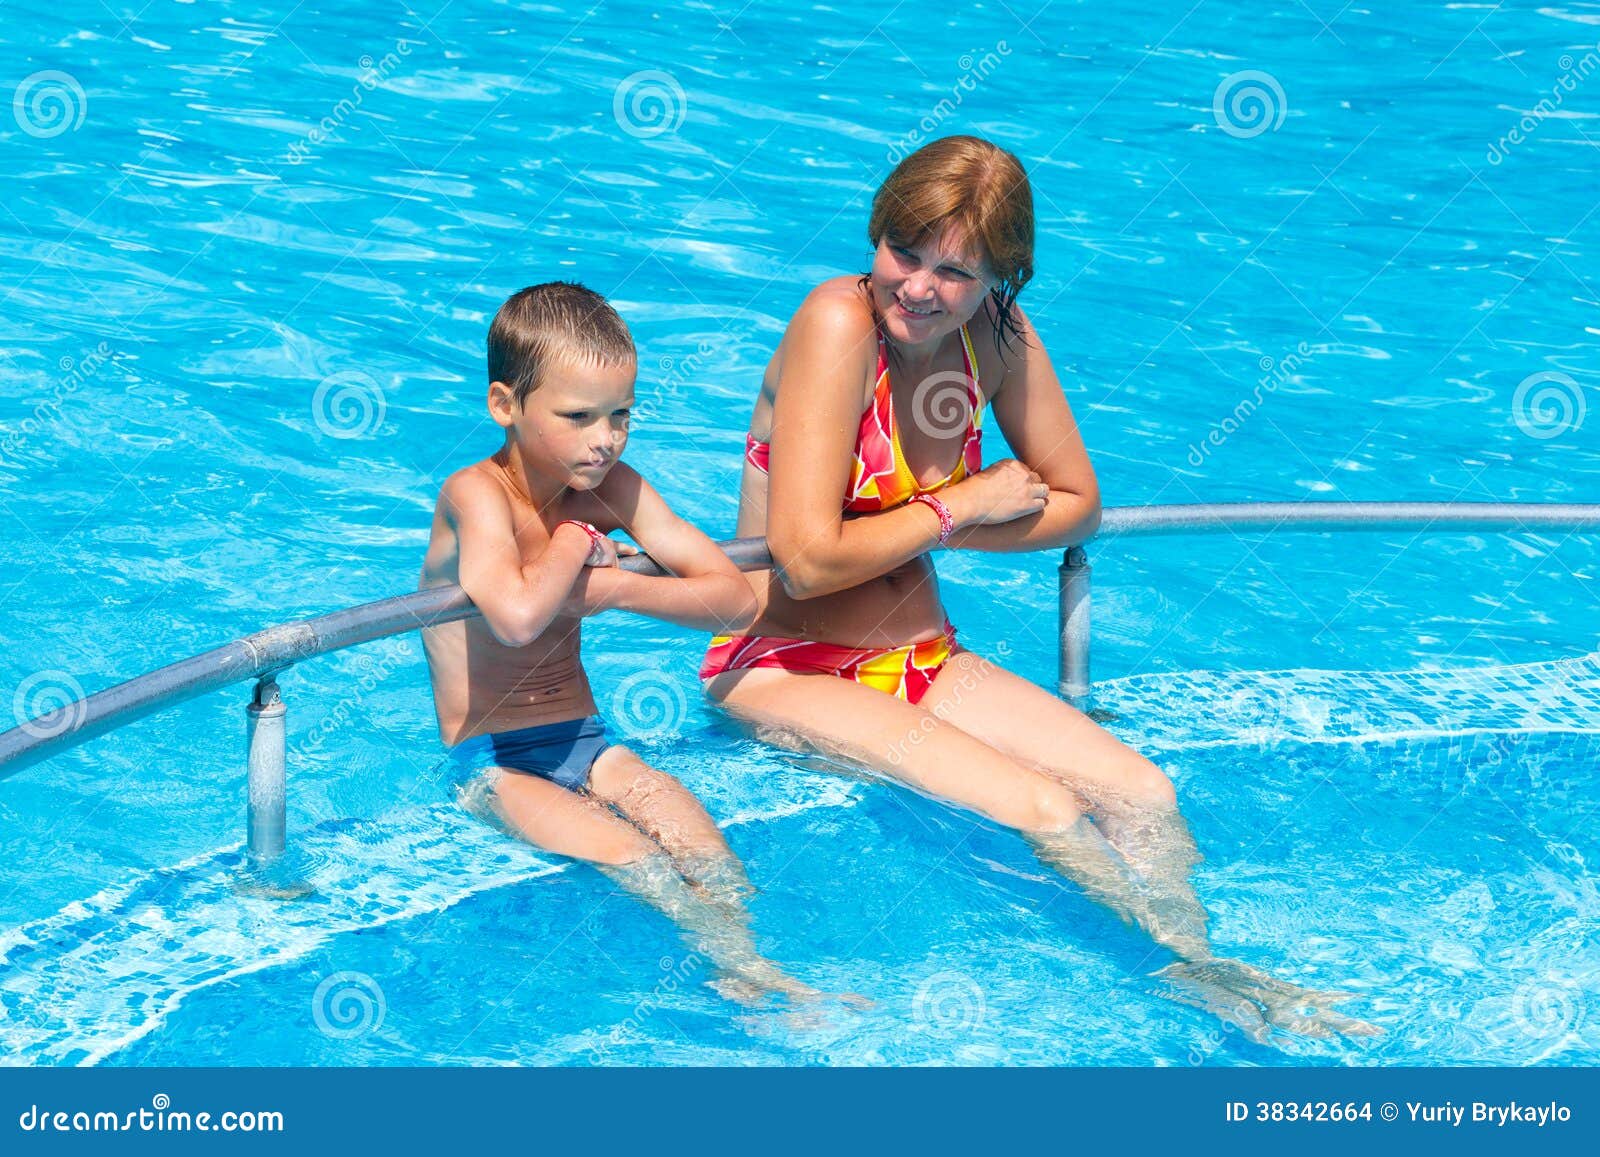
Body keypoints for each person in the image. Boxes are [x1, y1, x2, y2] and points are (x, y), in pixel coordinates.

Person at [700, 136, 1374, 1040]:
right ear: (876, 235)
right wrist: (961, 502)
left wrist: (953, 520)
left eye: (957, 270)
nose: (919, 287)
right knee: (1048, 807)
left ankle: (1201, 954)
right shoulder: (836, 323)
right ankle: (1183, 971)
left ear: (999, 280)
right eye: (906, 252)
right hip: (786, 663)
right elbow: (807, 560)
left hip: (923, 656)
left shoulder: (998, 340)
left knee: (1143, 791)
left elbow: (1079, 504)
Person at [420, 281, 810, 1004]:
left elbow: (735, 599)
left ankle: (750, 967)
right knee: (637, 857)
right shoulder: (476, 495)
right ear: (505, 405)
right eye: (579, 416)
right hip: (493, 761)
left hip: (586, 740)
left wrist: (620, 588)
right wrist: (575, 540)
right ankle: (754, 980)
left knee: (703, 846)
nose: (606, 438)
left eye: (621, 415)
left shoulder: (611, 487)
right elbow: (513, 615)